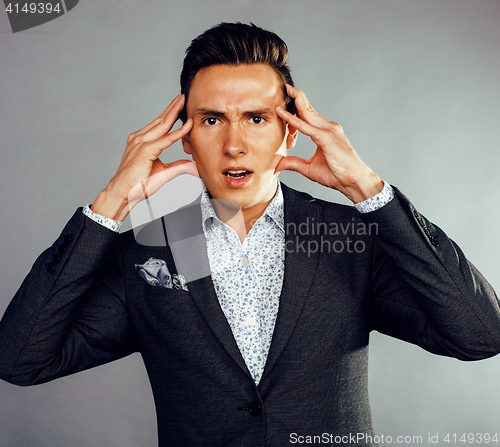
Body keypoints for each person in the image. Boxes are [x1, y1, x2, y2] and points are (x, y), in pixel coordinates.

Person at [1, 22, 499, 447]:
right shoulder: (148, 252)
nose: (234, 144)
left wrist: (367, 188)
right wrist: (111, 202)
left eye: (257, 119)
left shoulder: (355, 239)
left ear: (290, 133)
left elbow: (481, 335)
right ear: (185, 137)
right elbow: (20, 360)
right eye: (211, 119)